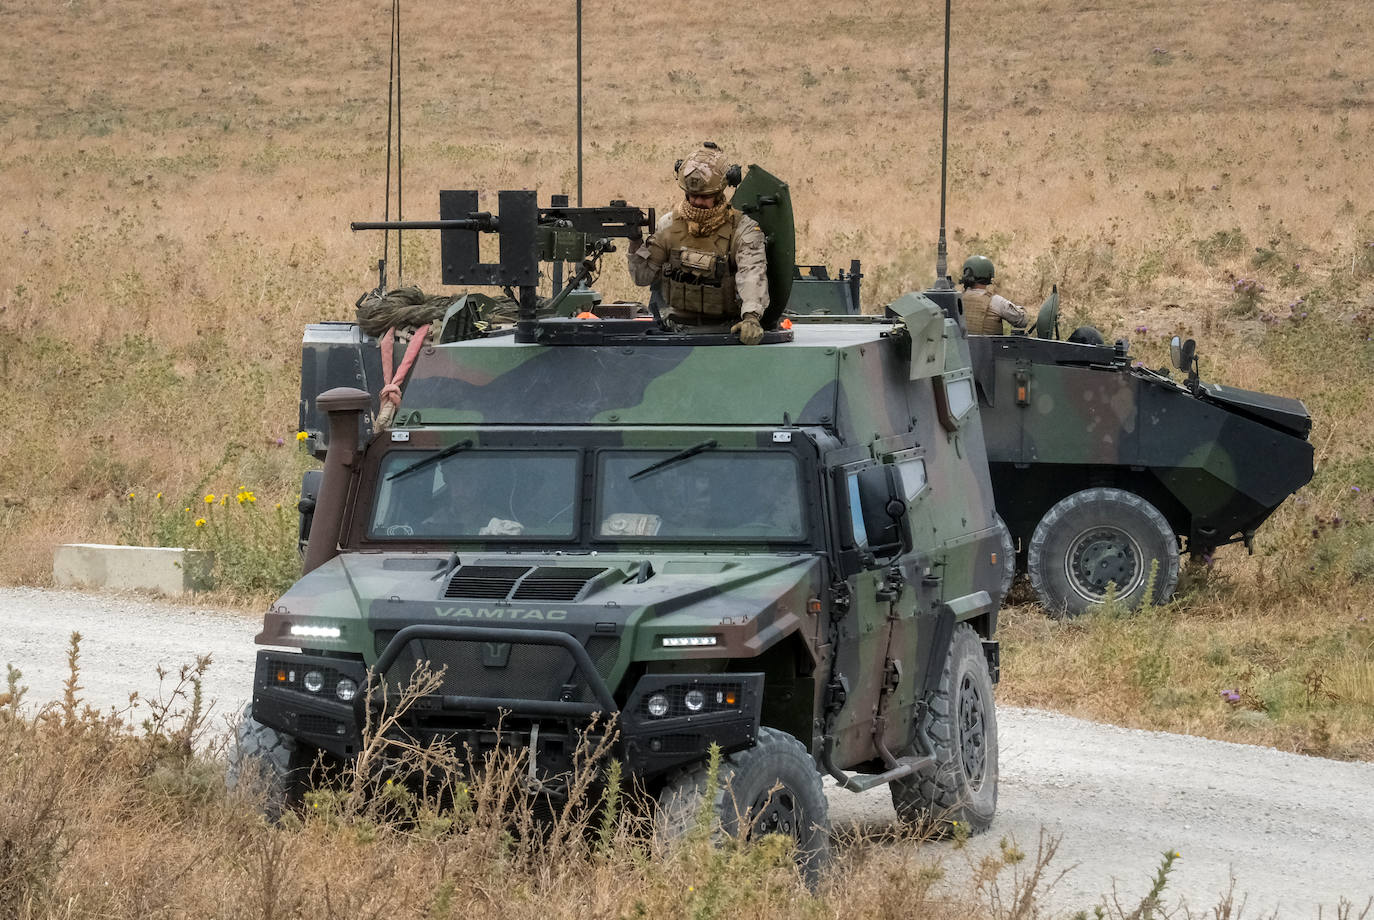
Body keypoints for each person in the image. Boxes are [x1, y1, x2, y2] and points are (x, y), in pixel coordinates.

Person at [627, 141, 770, 344]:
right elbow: (642, 276)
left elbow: (752, 272)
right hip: (675, 330)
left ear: (720, 192)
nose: (697, 202)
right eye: (692, 195)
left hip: (725, 332)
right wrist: (634, 239)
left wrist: (751, 317)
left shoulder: (743, 230)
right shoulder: (669, 225)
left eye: (705, 197)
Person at [961, 255, 1028, 335]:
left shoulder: (957, 299)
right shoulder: (996, 302)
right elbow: (1022, 321)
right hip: (988, 347)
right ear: (988, 276)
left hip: (960, 347)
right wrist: (1018, 309)